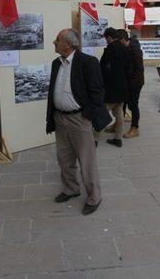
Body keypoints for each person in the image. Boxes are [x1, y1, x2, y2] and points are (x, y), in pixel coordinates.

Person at [46, 29, 110, 215]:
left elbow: (97, 93)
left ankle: (94, 196)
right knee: (64, 158)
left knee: (86, 160)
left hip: (79, 119)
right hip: (60, 118)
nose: (54, 42)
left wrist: (86, 116)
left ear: (68, 44)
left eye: (57, 39)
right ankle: (71, 189)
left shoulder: (88, 62)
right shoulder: (56, 64)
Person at [96, 28, 130, 148]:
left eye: (106, 38)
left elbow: (104, 70)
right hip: (122, 87)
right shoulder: (124, 49)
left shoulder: (110, 50)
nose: (106, 41)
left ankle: (94, 139)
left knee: (102, 114)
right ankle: (118, 138)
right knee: (119, 113)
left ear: (109, 37)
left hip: (110, 89)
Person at [120, 31, 144, 138]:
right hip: (127, 82)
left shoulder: (135, 49)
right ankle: (118, 124)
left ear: (123, 39)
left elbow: (139, 68)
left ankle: (135, 128)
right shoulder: (126, 48)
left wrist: (133, 82)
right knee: (123, 103)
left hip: (135, 83)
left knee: (133, 104)